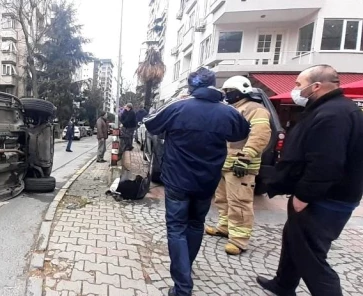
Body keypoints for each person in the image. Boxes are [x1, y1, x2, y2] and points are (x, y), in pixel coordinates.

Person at [143, 68, 250, 296]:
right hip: (207, 181)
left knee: (176, 228)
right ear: (213, 85)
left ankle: (183, 286)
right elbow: (241, 132)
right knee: (195, 224)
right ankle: (185, 269)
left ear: (191, 87)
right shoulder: (227, 111)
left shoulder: (179, 106)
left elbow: (150, 123)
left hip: (177, 181)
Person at [257, 65, 363, 296]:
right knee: (293, 241)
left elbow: (326, 163)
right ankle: (283, 284)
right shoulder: (333, 109)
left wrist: (304, 196)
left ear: (315, 86)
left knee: (311, 257)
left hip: (325, 200)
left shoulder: (333, 115)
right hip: (321, 196)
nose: (296, 89)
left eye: (298, 84)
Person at [205, 76, 272, 255]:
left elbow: (260, 136)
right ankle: (225, 227)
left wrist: (246, 157)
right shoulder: (232, 109)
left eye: (229, 91)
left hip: (241, 165)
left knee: (240, 202)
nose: (226, 95)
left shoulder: (255, 110)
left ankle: (239, 240)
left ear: (240, 91)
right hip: (225, 164)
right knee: (222, 199)